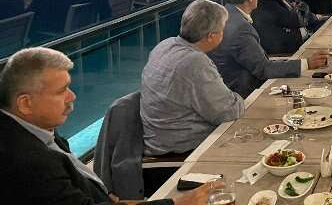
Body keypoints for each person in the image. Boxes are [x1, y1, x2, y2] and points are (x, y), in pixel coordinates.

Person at [0, 47, 216, 204]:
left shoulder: (36, 131)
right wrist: (176, 204)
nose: (72, 96)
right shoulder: (27, 163)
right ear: (25, 103)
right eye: (61, 91)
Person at [141, 0, 245, 156]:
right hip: (179, 150)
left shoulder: (164, 45)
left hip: (158, 139)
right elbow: (227, 112)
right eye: (222, 29)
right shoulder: (194, 62)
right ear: (211, 36)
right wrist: (238, 98)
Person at [209, 0, 327, 97]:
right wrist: (307, 63)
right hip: (243, 93)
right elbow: (263, 69)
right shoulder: (241, 28)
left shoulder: (228, 14)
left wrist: (301, 62)